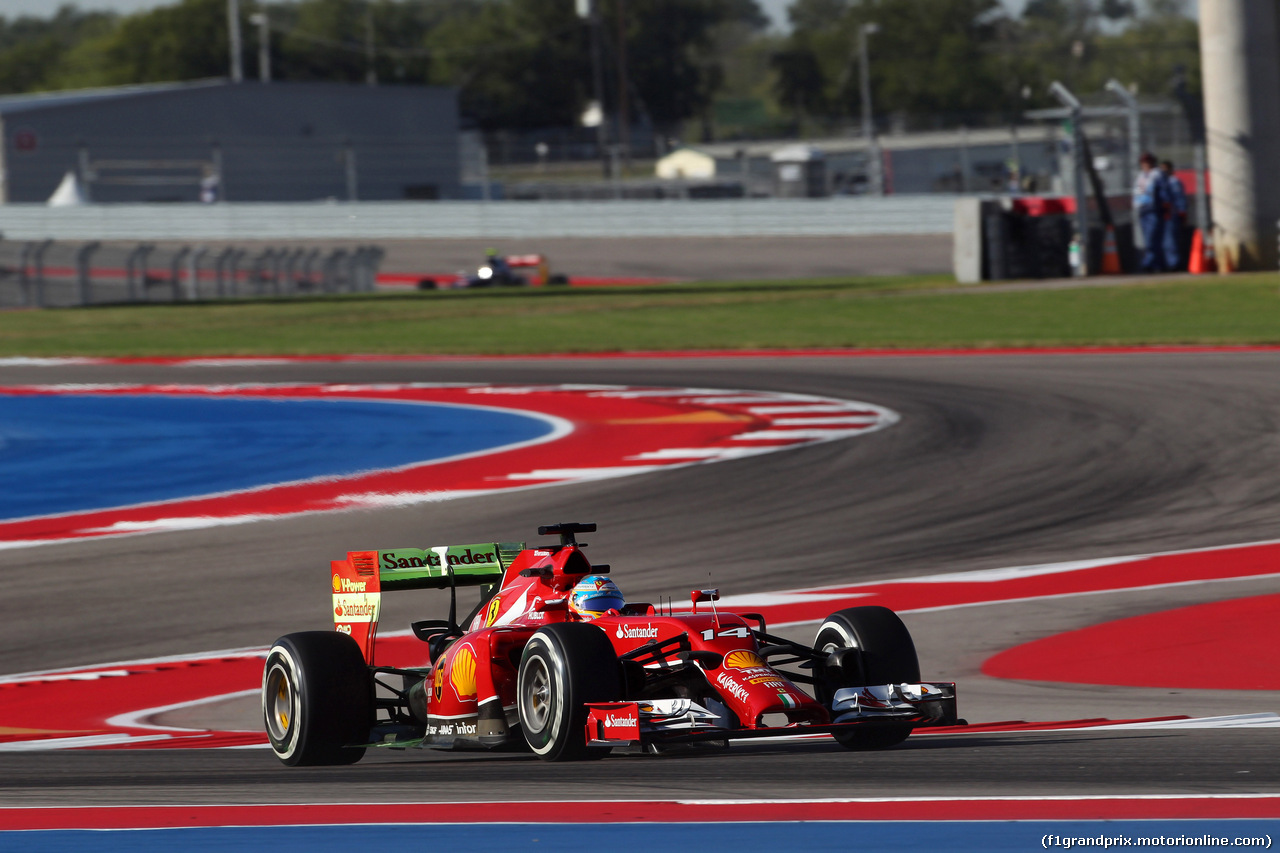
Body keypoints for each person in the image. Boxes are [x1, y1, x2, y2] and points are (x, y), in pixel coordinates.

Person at [1133, 152, 1169, 272]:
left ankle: (1148, 263)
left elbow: (1164, 193)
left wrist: (1166, 206)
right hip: (1143, 210)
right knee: (1149, 239)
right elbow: (1137, 192)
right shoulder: (1141, 176)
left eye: (1148, 162)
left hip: (1154, 210)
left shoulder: (1157, 175)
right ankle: (1158, 265)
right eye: (1143, 162)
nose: (1145, 164)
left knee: (1152, 238)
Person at [1160, 160, 1188, 271]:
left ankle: (1174, 264)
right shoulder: (1161, 181)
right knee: (1164, 240)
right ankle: (1167, 262)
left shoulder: (1173, 182)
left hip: (1171, 214)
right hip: (1163, 215)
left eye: (1165, 169)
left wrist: (1182, 212)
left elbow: (1179, 198)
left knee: (1171, 240)